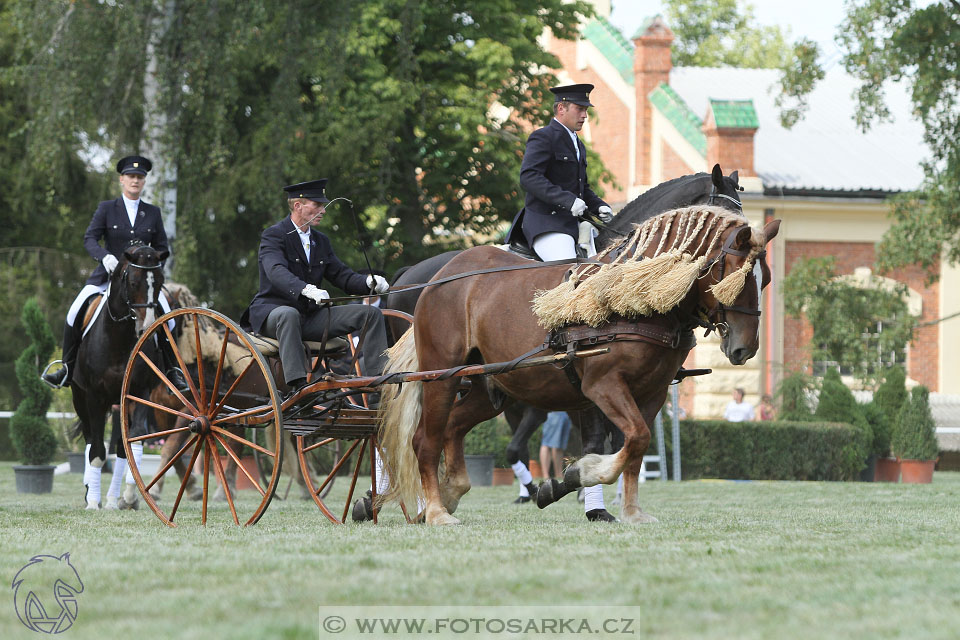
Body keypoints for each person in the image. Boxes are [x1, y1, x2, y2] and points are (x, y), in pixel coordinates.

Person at [42, 155, 186, 392]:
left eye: (140, 177)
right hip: (107, 277)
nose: (135, 181)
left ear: (144, 182)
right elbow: (89, 238)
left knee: (168, 319)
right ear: (122, 179)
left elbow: (162, 247)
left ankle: (173, 371)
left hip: (141, 283)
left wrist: (150, 257)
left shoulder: (152, 213)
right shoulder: (107, 209)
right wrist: (104, 256)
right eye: (131, 176)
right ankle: (67, 369)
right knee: (74, 312)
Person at [240, 179, 390, 403]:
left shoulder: (321, 241)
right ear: (298, 206)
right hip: (273, 314)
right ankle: (298, 388)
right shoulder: (274, 235)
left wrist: (368, 282)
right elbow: (275, 270)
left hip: (309, 317)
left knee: (370, 314)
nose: (323, 211)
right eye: (317, 205)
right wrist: (305, 289)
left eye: (323, 205)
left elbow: (341, 275)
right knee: (288, 314)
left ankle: (377, 383)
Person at [505, 83, 613, 261]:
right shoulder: (544, 137)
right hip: (548, 224)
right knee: (569, 271)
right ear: (561, 108)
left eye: (585, 110)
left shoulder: (578, 144)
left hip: (573, 224)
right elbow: (529, 177)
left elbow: (581, 188)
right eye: (579, 109)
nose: (584, 115)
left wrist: (600, 207)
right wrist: (568, 201)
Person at [539, 411, 571, 481]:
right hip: (553, 411)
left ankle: (559, 474)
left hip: (565, 412)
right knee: (547, 444)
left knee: (559, 447)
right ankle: (545, 476)